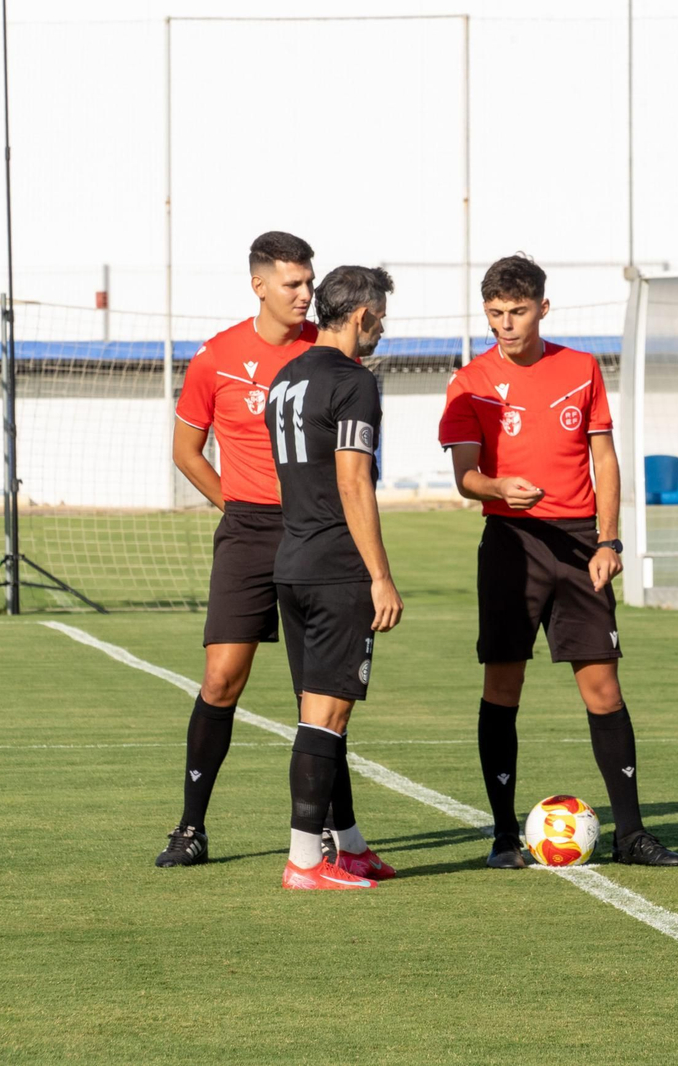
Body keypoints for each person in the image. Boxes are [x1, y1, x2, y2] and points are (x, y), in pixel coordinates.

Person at [438, 254, 678, 869]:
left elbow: (604, 459)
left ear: (542, 308)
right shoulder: (468, 382)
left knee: (602, 687)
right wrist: (498, 488)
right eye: (494, 313)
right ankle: (502, 837)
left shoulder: (581, 368)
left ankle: (631, 834)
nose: (505, 325)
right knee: (503, 685)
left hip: (580, 547)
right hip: (510, 544)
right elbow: (466, 476)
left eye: (517, 312)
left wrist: (609, 541)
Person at [156, 232, 382, 878]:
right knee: (222, 678)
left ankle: (340, 837)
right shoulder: (217, 358)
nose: (305, 295)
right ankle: (191, 825)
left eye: (310, 283)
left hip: (314, 532)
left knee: (319, 698)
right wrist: (235, 506)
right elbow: (186, 451)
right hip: (249, 530)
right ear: (258, 285)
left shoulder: (329, 350)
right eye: (292, 284)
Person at [266, 264, 402, 891]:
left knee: (319, 708)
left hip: (291, 563)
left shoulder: (285, 377)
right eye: (380, 318)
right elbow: (352, 479)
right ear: (363, 315)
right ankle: (303, 861)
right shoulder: (353, 382)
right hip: (335, 568)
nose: (381, 330)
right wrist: (380, 574)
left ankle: (348, 846)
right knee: (325, 717)